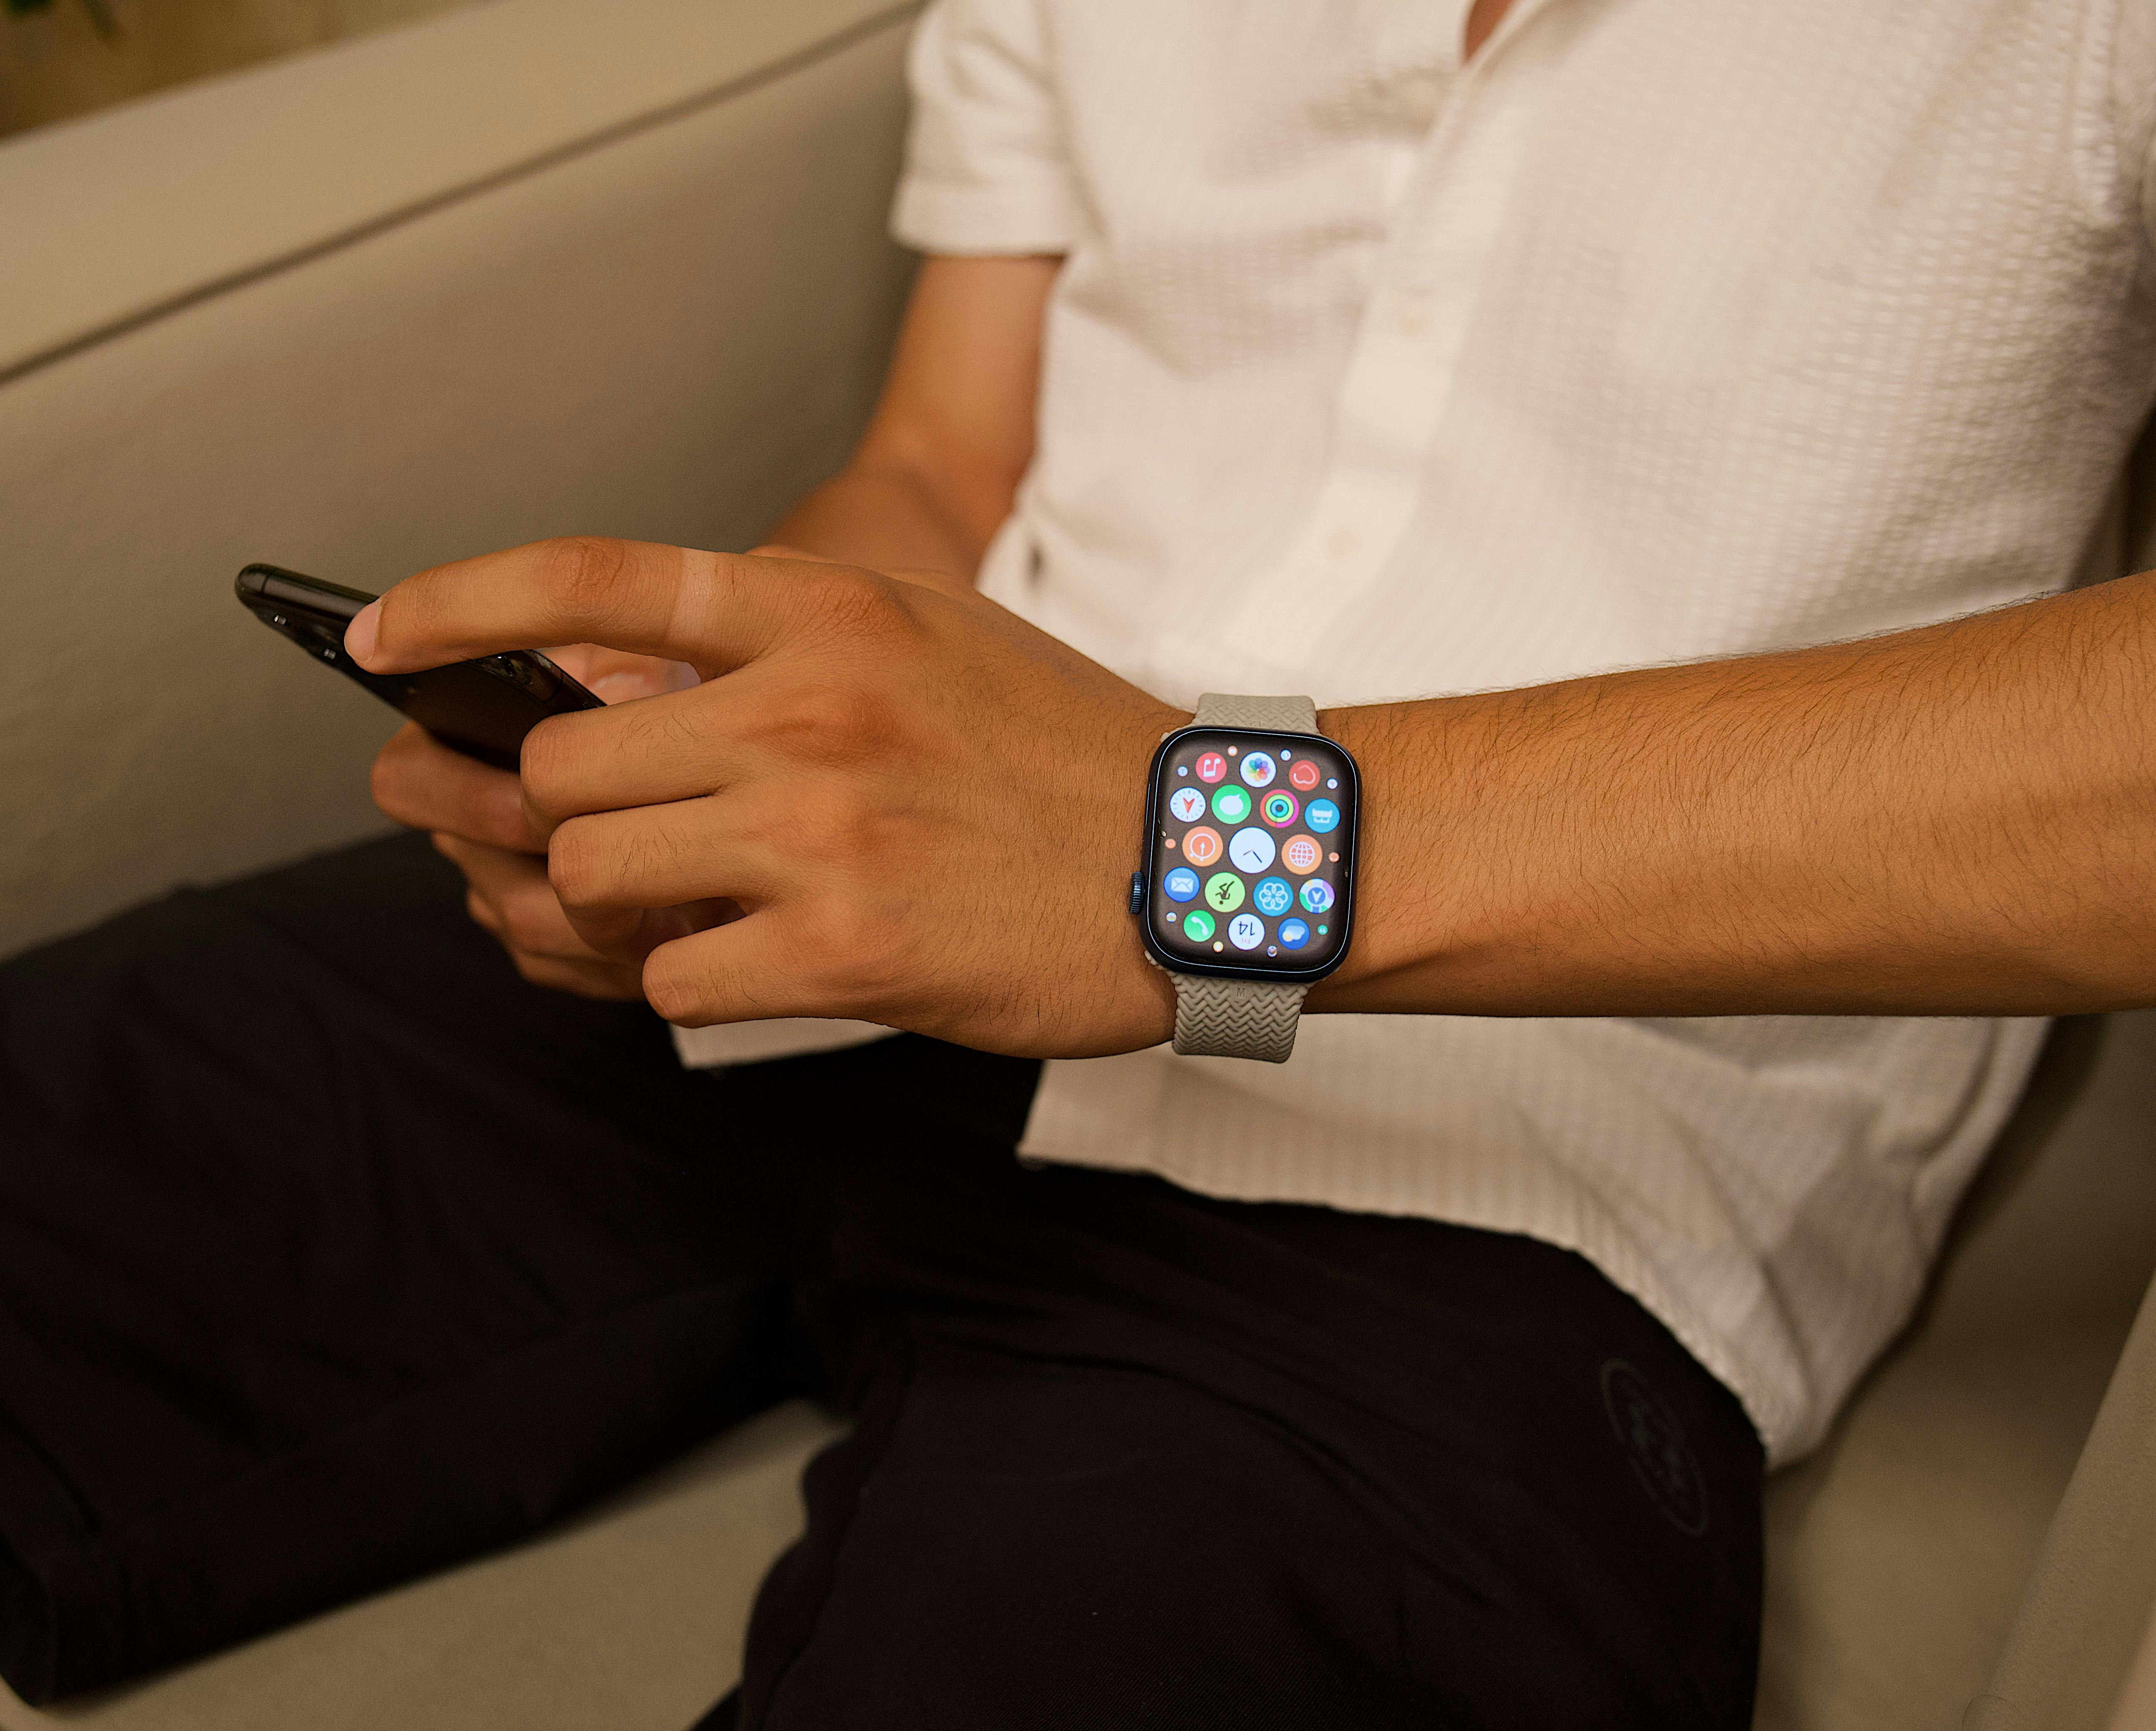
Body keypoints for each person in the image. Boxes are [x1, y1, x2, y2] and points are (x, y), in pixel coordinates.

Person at [5, 0, 2156, 1724]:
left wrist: (1168, 848)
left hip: (1536, 1153)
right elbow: (945, 458)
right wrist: (720, 744)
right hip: (853, 940)